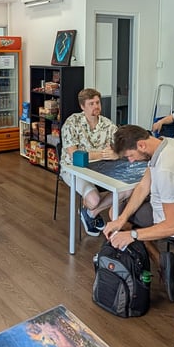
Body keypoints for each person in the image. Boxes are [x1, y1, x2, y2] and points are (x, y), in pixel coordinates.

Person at [104, 125, 174, 301]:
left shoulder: (166, 169)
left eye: (130, 156)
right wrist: (122, 219)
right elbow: (143, 186)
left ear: (141, 145)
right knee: (116, 213)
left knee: (123, 224)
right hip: (169, 207)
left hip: (172, 220)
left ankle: (162, 263)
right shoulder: (166, 143)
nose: (131, 161)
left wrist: (131, 235)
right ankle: (161, 260)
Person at [60, 88, 119, 237]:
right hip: (74, 169)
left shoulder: (107, 124)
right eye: (91, 104)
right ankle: (91, 207)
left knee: (125, 191)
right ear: (82, 106)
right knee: (94, 199)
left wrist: (115, 153)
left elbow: (121, 145)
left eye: (97, 102)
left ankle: (90, 213)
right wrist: (103, 154)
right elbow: (74, 155)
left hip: (101, 167)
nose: (96, 106)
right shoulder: (72, 123)